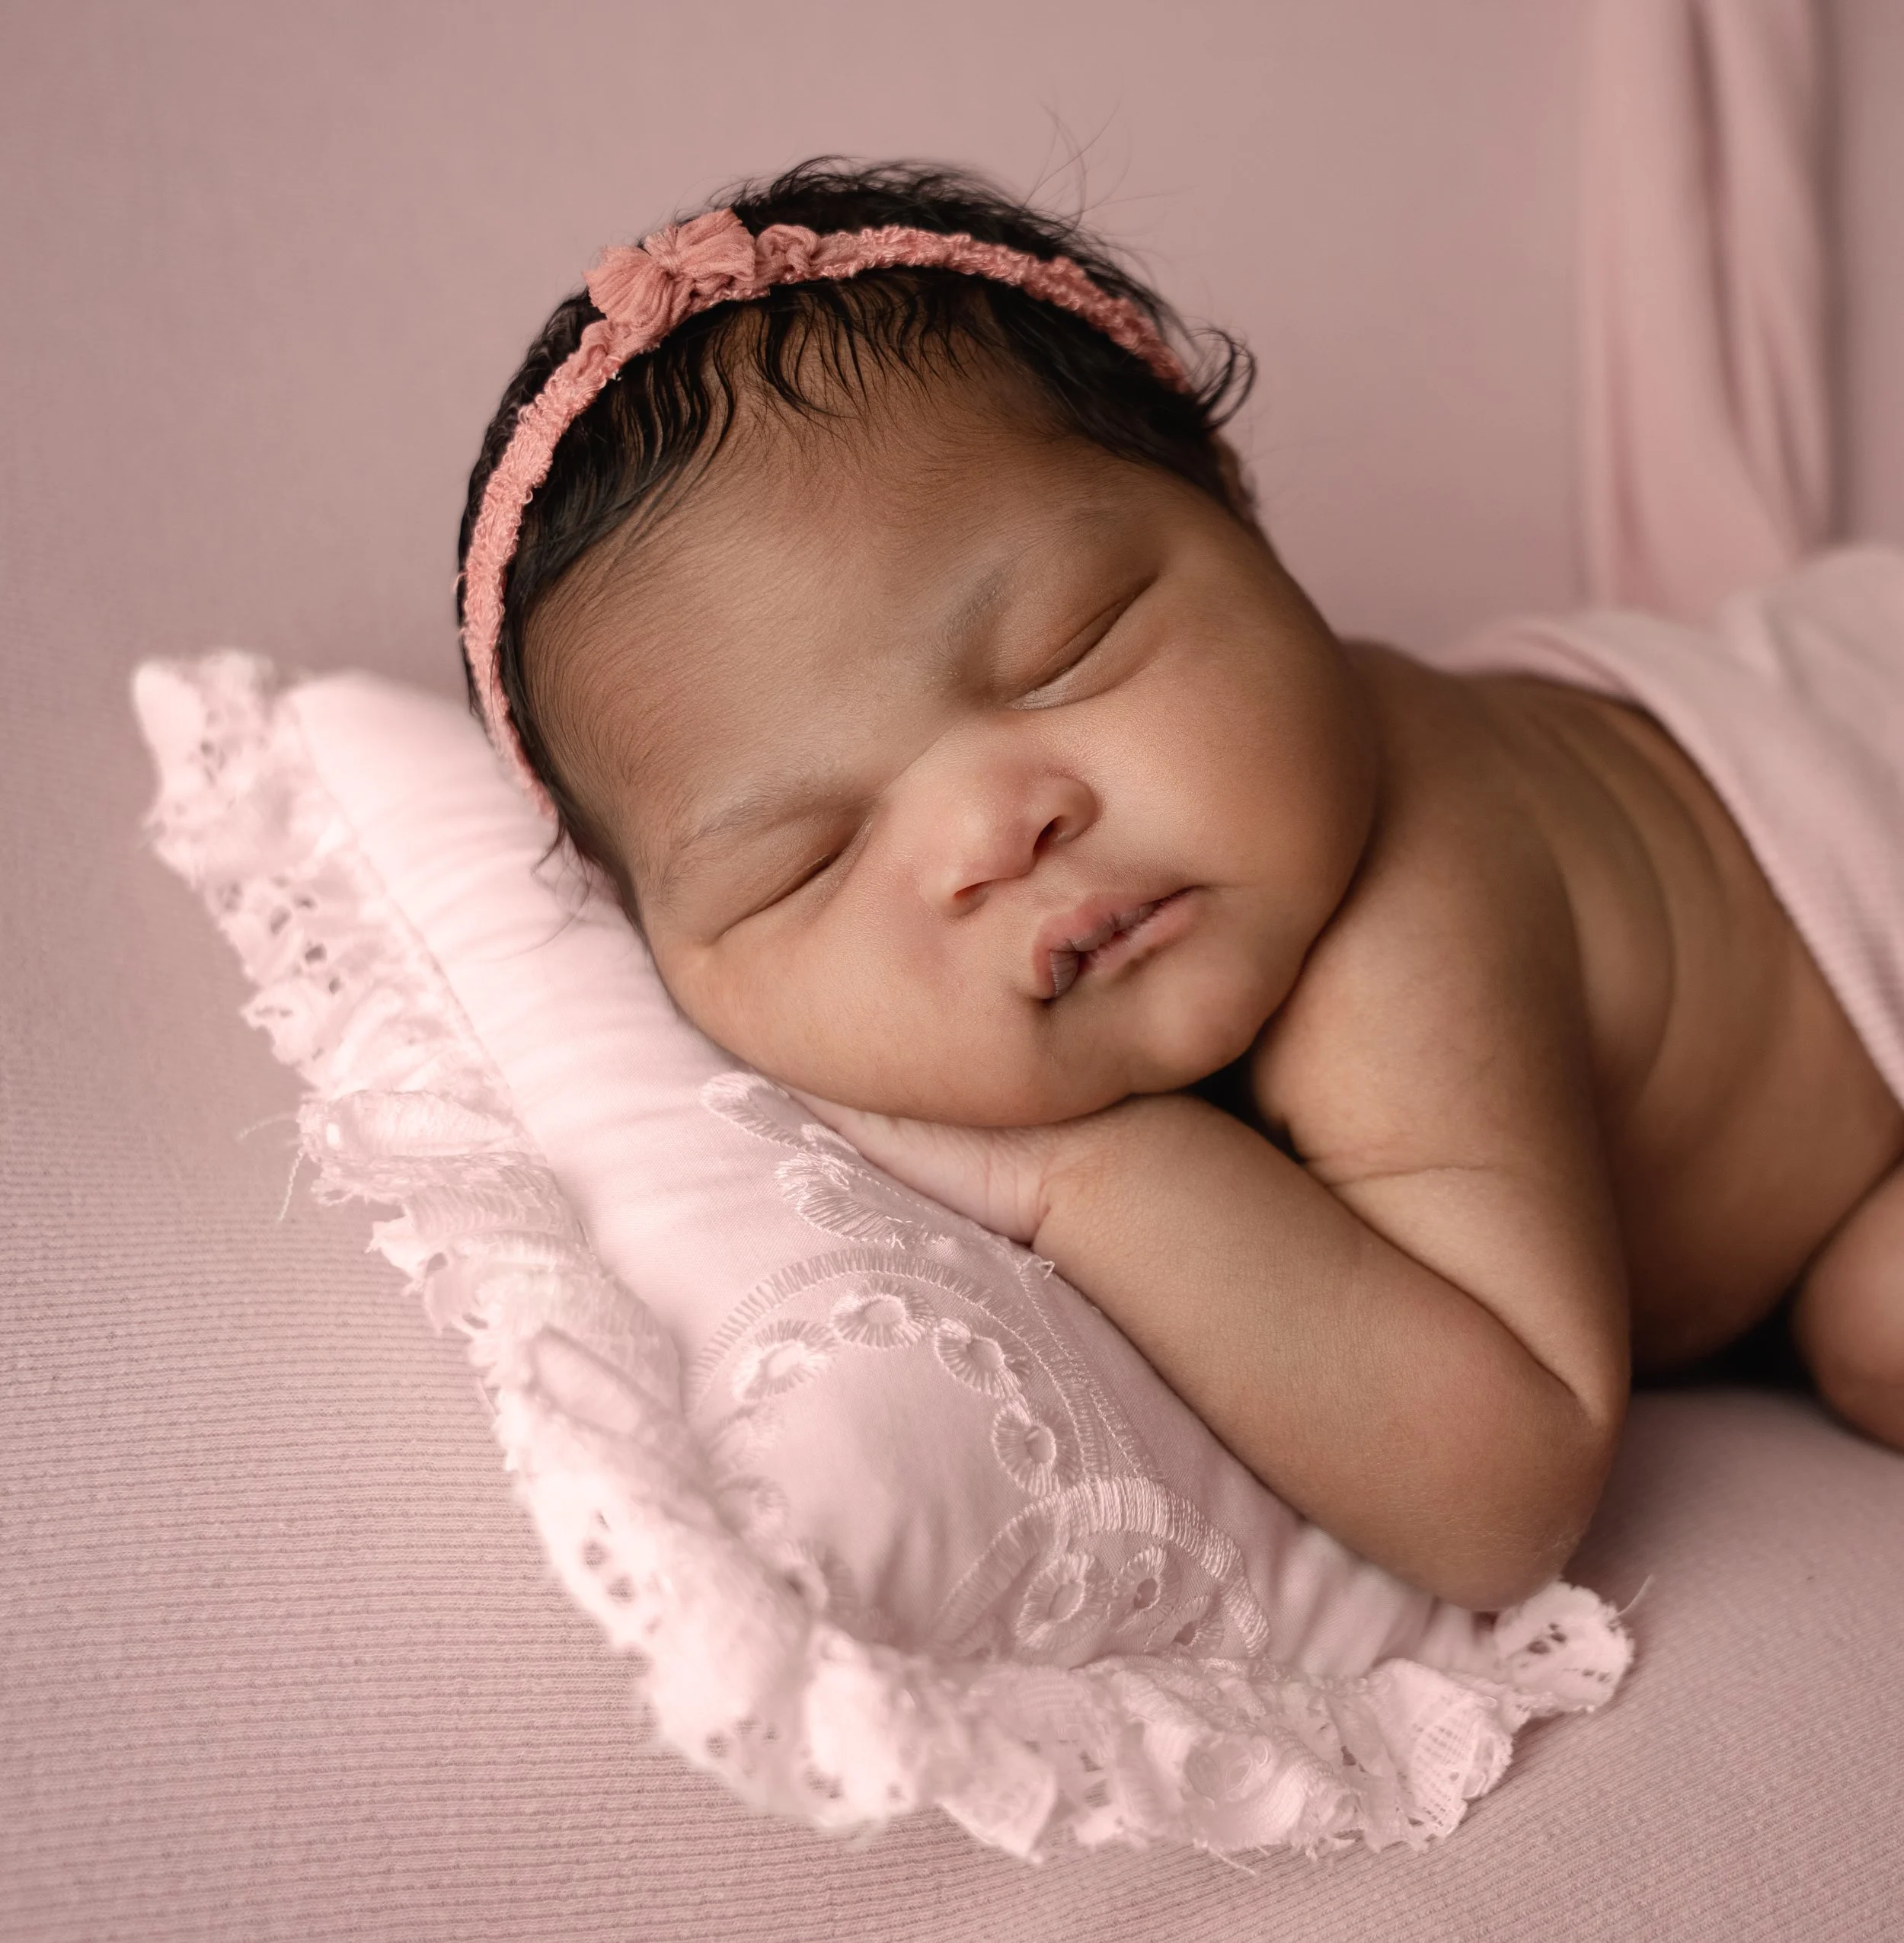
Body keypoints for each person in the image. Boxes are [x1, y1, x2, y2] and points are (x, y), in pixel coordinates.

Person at [456, 158, 1904, 1612]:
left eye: (1066, 649)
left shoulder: (1405, 912)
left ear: (1240, 511)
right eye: (806, 861)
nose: (993, 836)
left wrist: (1081, 1176)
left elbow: (1503, 1494)